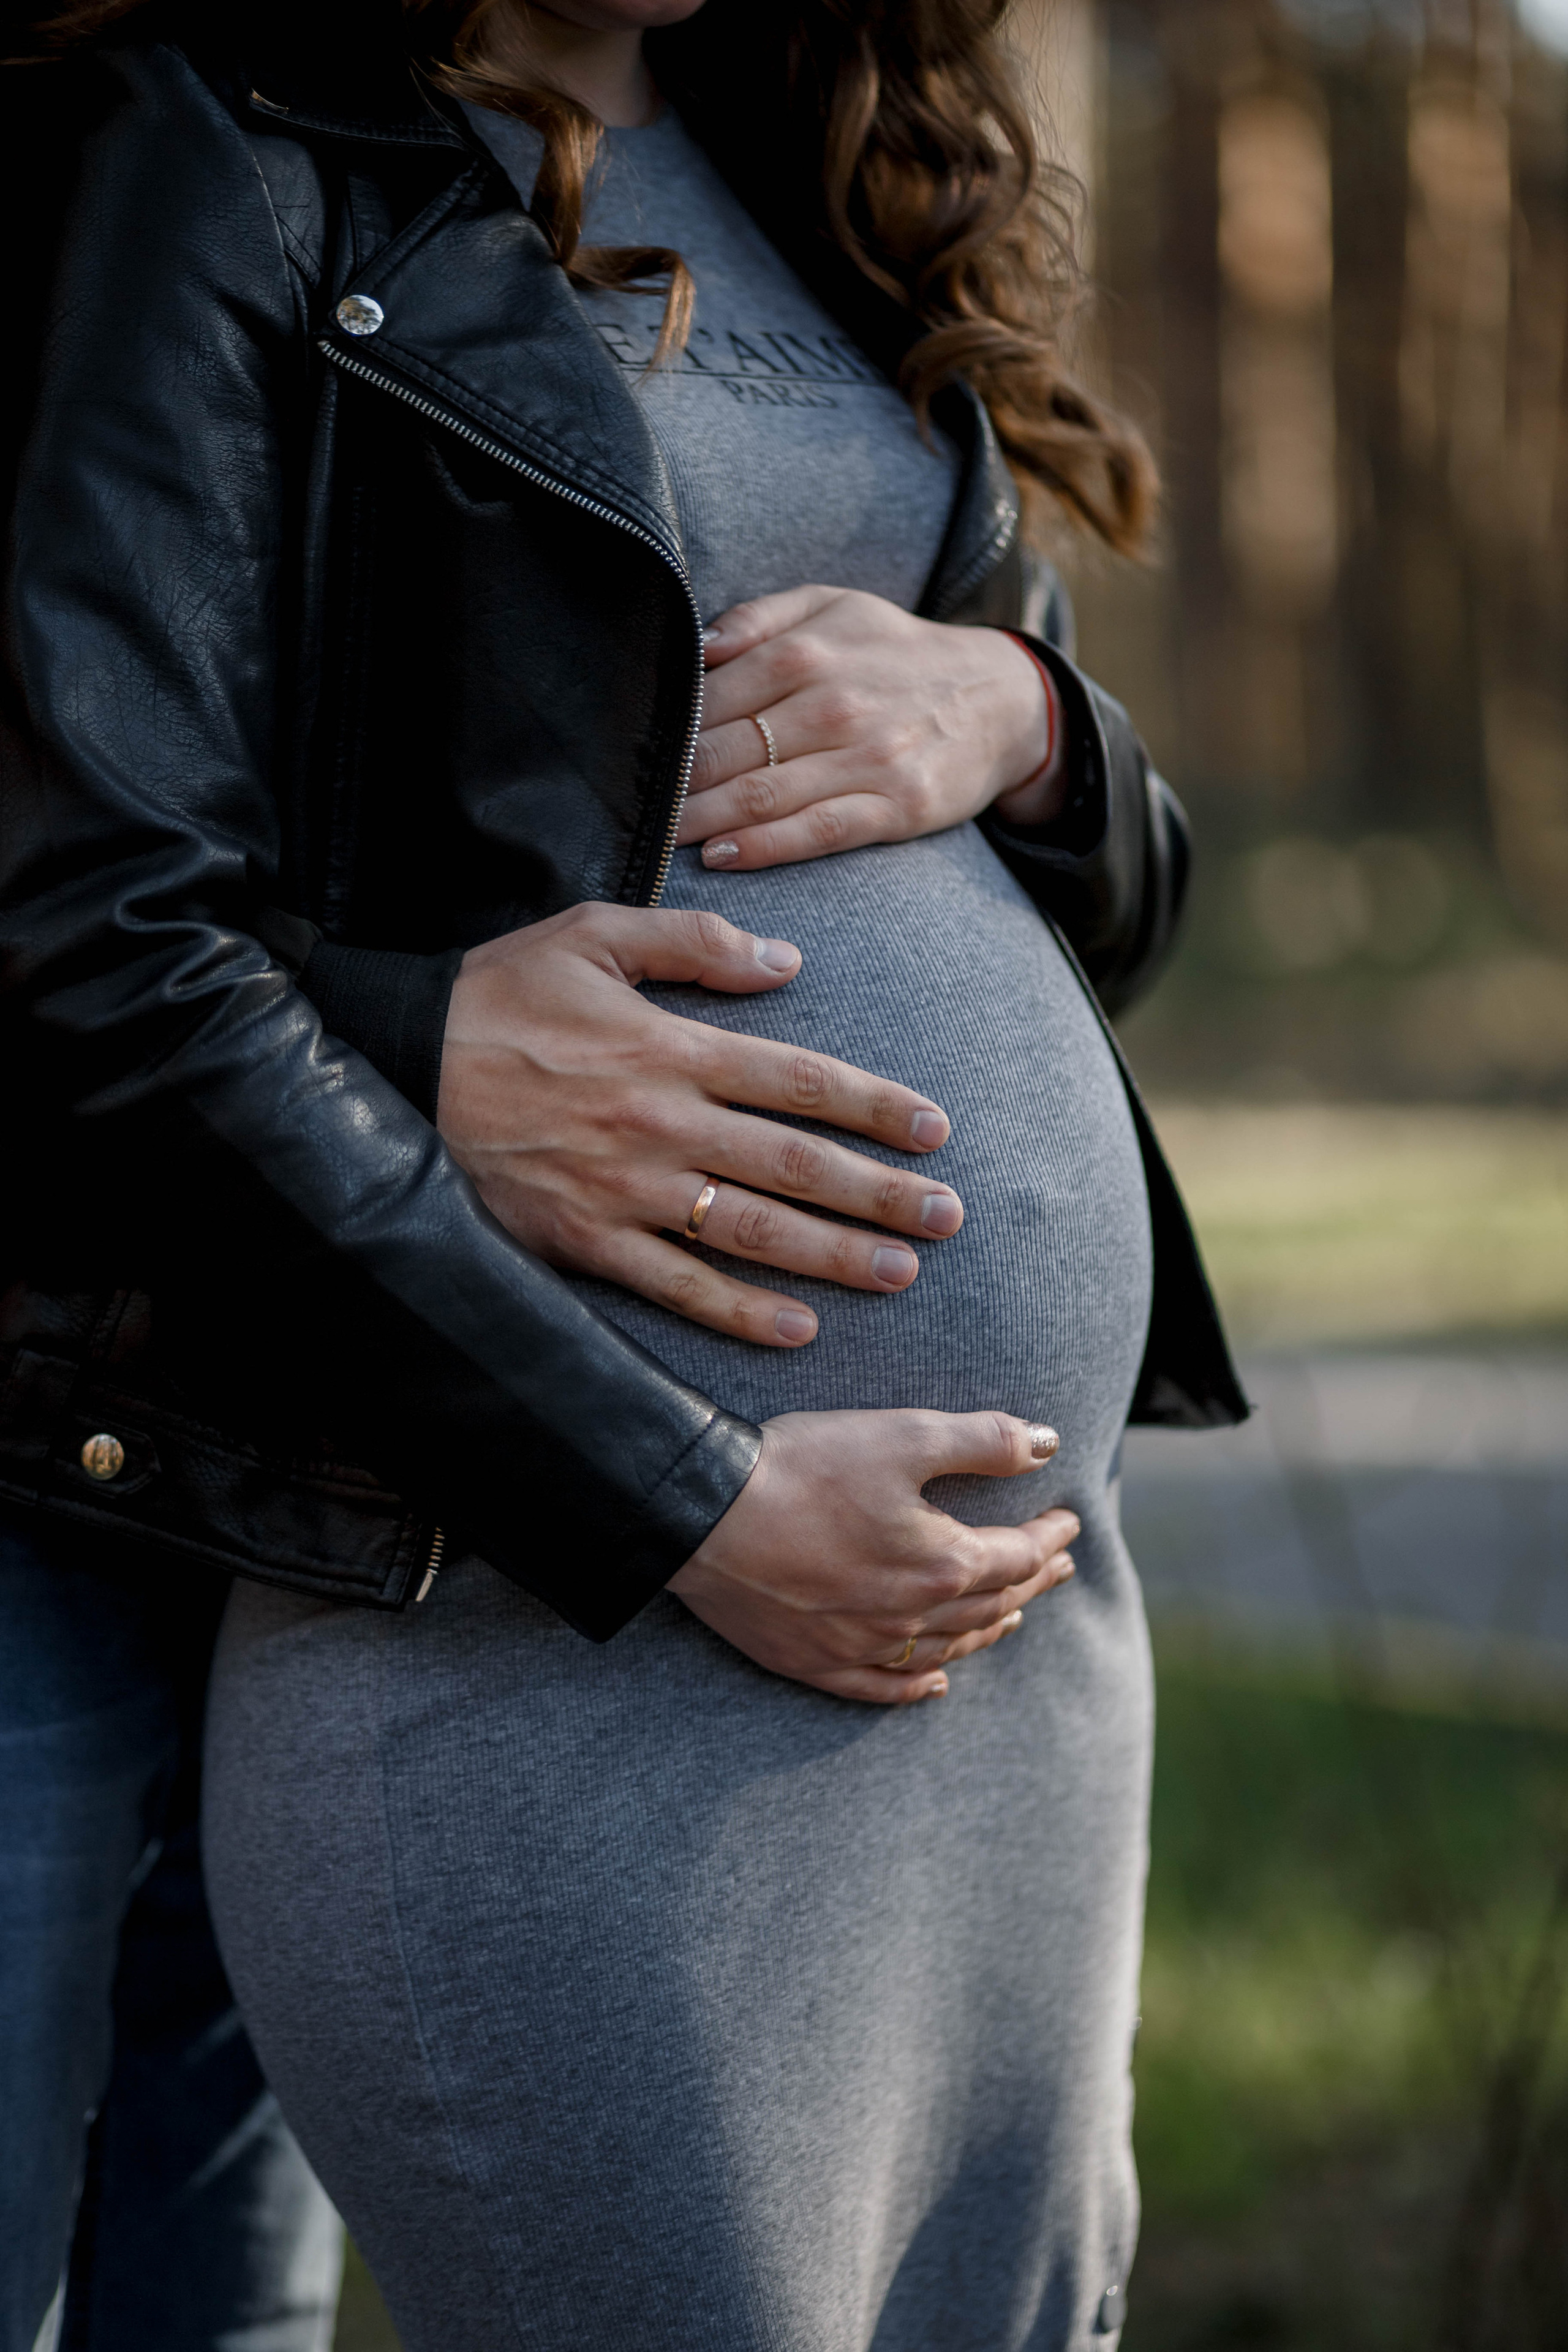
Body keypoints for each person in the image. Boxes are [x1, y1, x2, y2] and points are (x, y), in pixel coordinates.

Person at [0, 1, 1246, 2347]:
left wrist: (1034, 720)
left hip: (1006, 1659)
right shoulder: (232, 140)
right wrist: (682, 1497)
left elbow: (1130, 909)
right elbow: (96, 920)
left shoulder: (823, 153)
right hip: (536, 1577)